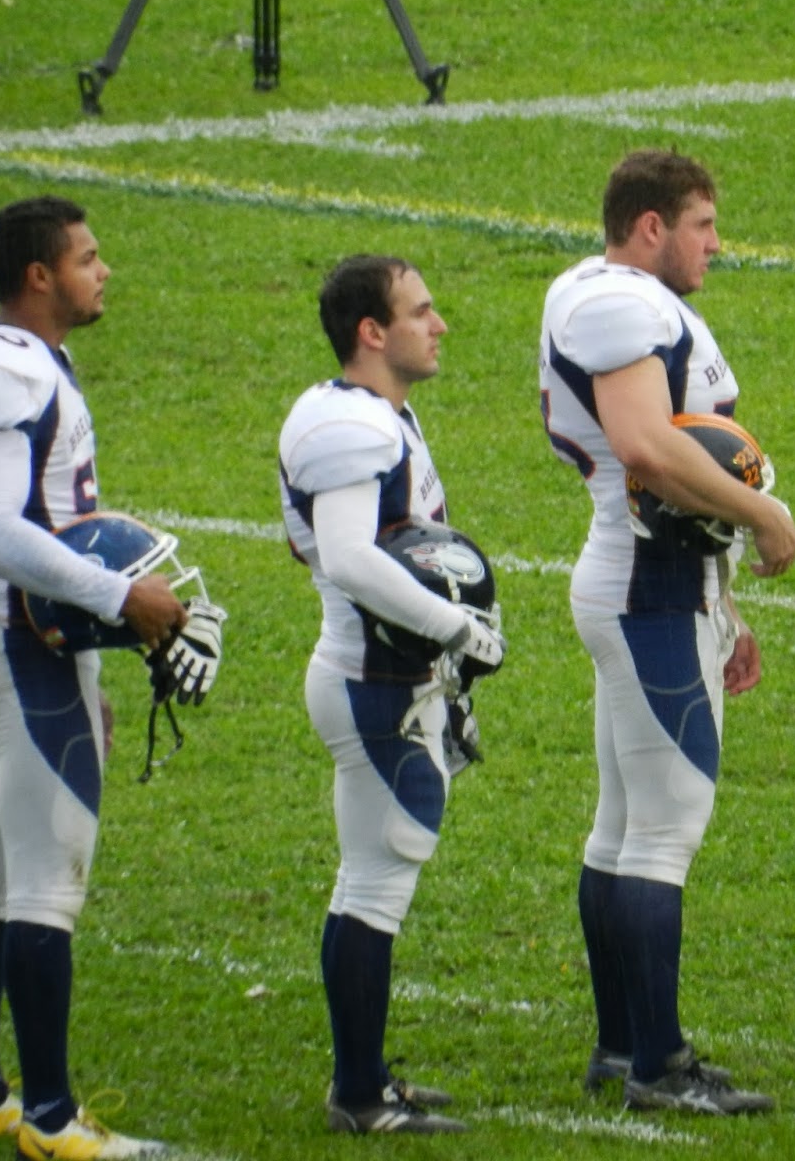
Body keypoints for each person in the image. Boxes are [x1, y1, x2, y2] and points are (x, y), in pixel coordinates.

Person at [0, 196, 206, 1159]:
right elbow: (2, 528)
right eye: (88, 258)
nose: (104, 271)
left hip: (8, 646)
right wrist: (115, 599)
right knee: (44, 892)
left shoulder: (1, 357)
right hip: (22, 648)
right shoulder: (2, 368)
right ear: (39, 276)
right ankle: (49, 1122)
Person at [538, 149, 795, 1116]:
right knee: (662, 834)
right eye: (702, 225)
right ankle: (658, 1064)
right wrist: (764, 516)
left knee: (622, 828)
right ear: (650, 226)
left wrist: (726, 605)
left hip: (658, 579)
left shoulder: (601, 292)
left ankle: (622, 1048)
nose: (715, 245)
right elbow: (649, 448)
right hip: (647, 583)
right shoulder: (621, 305)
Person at [279, 254, 504, 1134]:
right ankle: (361, 1097)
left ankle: (363, 1077)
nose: (438, 324)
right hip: (371, 682)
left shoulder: (368, 416)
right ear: (371, 333)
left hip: (379, 676)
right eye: (420, 311)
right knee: (374, 886)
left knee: (367, 880)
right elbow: (347, 554)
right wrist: (456, 629)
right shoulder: (354, 428)